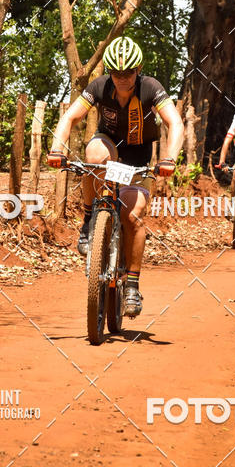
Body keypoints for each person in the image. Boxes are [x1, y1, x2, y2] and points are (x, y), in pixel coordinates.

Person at [47, 36, 184, 318]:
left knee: (133, 216)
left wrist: (169, 158)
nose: (122, 79)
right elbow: (70, 117)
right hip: (108, 145)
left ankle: (132, 285)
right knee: (93, 156)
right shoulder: (99, 87)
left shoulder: (151, 88)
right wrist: (56, 148)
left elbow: (174, 121)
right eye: (116, 73)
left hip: (138, 157)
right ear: (109, 72)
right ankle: (88, 221)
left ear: (139, 69)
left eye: (128, 73)